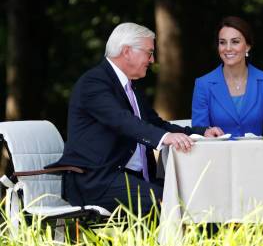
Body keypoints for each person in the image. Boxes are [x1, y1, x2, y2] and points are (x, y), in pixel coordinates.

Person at [48, 22, 223, 212]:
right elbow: (122, 121)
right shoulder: (93, 82)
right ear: (126, 51)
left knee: (197, 197)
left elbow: (155, 123)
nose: (152, 60)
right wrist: (165, 138)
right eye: (149, 53)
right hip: (97, 181)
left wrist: (200, 132)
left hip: (130, 178)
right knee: (174, 204)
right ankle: (172, 243)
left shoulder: (130, 87)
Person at [191, 16, 263, 139]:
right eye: (222, 42)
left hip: (258, 155)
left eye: (235, 42)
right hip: (217, 156)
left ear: (248, 46)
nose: (228, 48)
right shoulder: (203, 84)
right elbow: (200, 135)